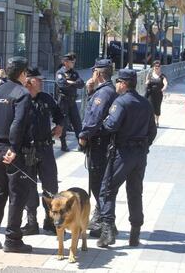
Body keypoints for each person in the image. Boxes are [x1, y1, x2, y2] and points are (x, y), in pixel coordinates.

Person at [96, 69, 157, 248]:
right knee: (135, 192)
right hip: (140, 155)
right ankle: (135, 234)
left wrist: (103, 123)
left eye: (118, 82)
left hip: (123, 153)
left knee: (107, 189)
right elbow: (152, 131)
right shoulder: (145, 103)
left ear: (123, 83)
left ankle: (108, 232)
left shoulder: (121, 102)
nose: (116, 85)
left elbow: (111, 125)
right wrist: (142, 146)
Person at [0, 56, 33, 253]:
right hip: (13, 152)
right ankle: (12, 239)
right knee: (16, 195)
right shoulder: (22, 94)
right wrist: (14, 147)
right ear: (22, 74)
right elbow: (18, 124)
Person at [21, 67, 64, 236]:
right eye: (38, 80)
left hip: (45, 148)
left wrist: (60, 126)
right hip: (28, 150)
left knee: (51, 185)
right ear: (29, 81)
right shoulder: (21, 99)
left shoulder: (46, 98)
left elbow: (59, 115)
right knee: (29, 186)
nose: (41, 82)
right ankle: (32, 222)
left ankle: (50, 221)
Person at [78, 59, 117, 237]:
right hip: (101, 143)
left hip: (99, 144)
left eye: (94, 71)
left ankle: (104, 220)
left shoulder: (105, 93)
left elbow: (94, 117)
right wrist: (90, 90)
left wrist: (83, 135)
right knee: (99, 182)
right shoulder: (103, 91)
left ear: (98, 73)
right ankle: (101, 216)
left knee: (98, 182)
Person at [56, 52, 85, 151]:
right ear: (65, 62)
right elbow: (62, 84)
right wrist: (73, 83)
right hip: (63, 101)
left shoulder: (74, 73)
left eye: (74, 61)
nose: (73, 63)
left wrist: (70, 82)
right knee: (63, 123)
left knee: (77, 122)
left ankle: (81, 144)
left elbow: (81, 84)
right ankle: (63, 144)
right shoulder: (60, 73)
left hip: (72, 101)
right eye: (71, 62)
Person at [145, 60, 168, 127]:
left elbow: (165, 82)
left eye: (158, 66)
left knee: (157, 107)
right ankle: (152, 122)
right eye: (155, 66)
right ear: (153, 67)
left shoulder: (162, 76)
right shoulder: (150, 74)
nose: (157, 67)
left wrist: (164, 88)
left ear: (160, 67)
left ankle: (157, 121)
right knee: (150, 107)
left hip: (158, 94)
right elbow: (147, 80)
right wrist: (147, 83)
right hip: (150, 93)